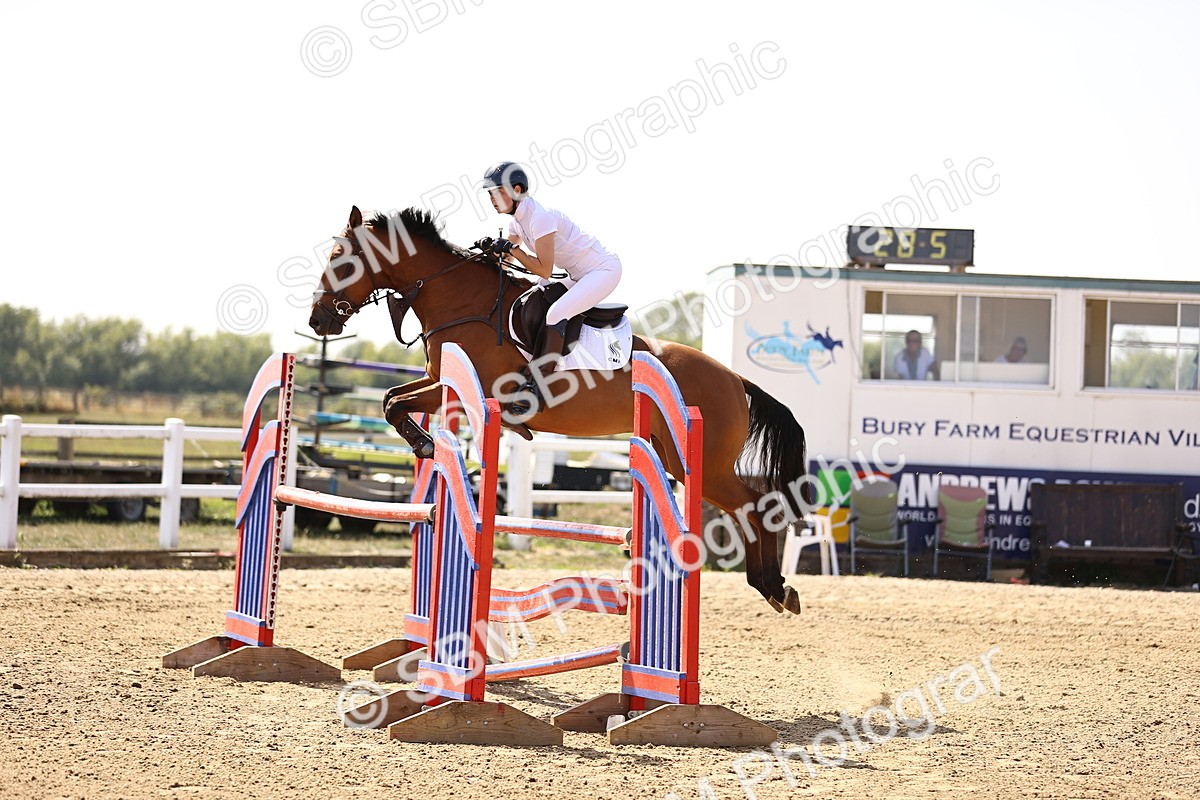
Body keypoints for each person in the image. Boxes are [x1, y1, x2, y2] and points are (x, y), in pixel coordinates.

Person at [479, 161, 622, 416]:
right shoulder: (517, 222)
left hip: (602, 271)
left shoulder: (540, 218)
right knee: (536, 299)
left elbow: (544, 270)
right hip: (579, 274)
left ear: (517, 190)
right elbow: (508, 259)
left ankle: (537, 387)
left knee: (556, 314)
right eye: (490, 194)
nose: (492, 199)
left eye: (497, 193)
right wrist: (491, 250)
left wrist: (513, 249)